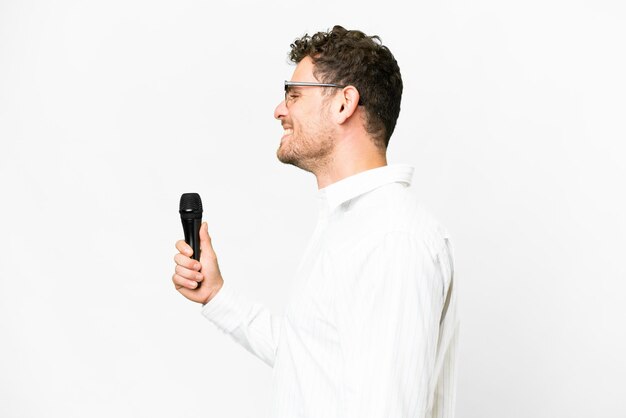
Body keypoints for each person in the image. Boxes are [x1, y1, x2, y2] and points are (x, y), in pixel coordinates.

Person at [172, 25, 459, 418]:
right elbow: (310, 361)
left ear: (343, 104)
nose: (279, 109)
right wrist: (217, 296)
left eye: (294, 94)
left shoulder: (392, 238)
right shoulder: (352, 224)